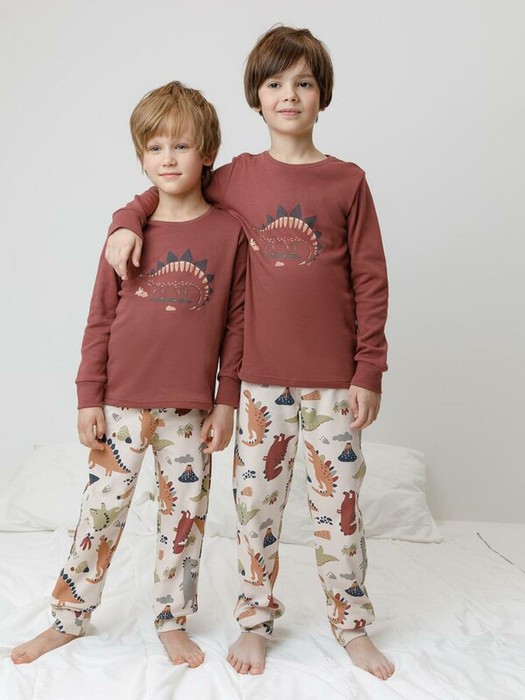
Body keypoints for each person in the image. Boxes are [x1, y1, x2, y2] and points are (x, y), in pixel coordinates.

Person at [103, 26, 394, 681]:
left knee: (339, 510)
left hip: (333, 383)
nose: (289, 95)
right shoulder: (235, 178)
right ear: (255, 98)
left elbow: (371, 279)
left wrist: (368, 369)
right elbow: (169, 185)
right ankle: (254, 621)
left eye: (303, 83)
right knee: (256, 511)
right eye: (274, 83)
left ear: (321, 95)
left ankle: (352, 626)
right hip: (259, 384)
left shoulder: (347, 181)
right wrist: (126, 219)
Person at [11, 81, 246, 668]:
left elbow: (238, 324)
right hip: (119, 402)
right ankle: (68, 618)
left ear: (207, 152)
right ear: (141, 156)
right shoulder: (126, 234)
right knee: (101, 513)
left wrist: (227, 401)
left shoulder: (229, 233)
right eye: (155, 147)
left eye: (181, 146)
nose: (168, 158)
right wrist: (88, 397)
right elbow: (99, 319)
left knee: (184, 518)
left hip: (190, 408)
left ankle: (171, 620)